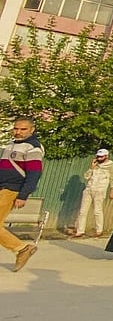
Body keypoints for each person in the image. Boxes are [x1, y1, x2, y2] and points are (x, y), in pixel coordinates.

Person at [0, 117, 44, 272]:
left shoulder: (33, 147)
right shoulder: (11, 144)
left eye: (23, 129)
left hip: (12, 190)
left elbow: (35, 173)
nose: (18, 132)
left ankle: (22, 248)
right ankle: (21, 248)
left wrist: (23, 195)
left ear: (32, 130)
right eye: (16, 128)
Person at [72, 148, 113, 238]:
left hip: (100, 190)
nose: (99, 158)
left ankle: (99, 230)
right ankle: (80, 231)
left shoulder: (111, 165)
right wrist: (91, 168)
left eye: (101, 157)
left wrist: (112, 190)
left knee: (97, 210)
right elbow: (86, 176)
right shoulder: (95, 165)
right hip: (89, 189)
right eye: (98, 156)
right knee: (82, 211)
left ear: (106, 156)